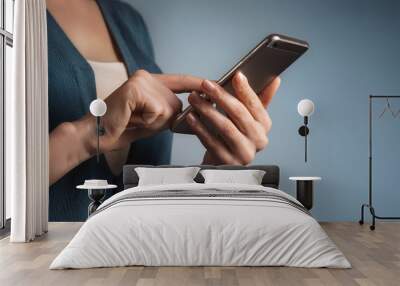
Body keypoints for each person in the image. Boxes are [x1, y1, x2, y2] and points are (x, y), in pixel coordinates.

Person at [47, 0, 280, 221]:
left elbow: (150, 203)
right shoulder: (14, 14)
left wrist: (213, 171)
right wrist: (88, 136)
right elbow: (9, 190)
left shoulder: (129, 22)